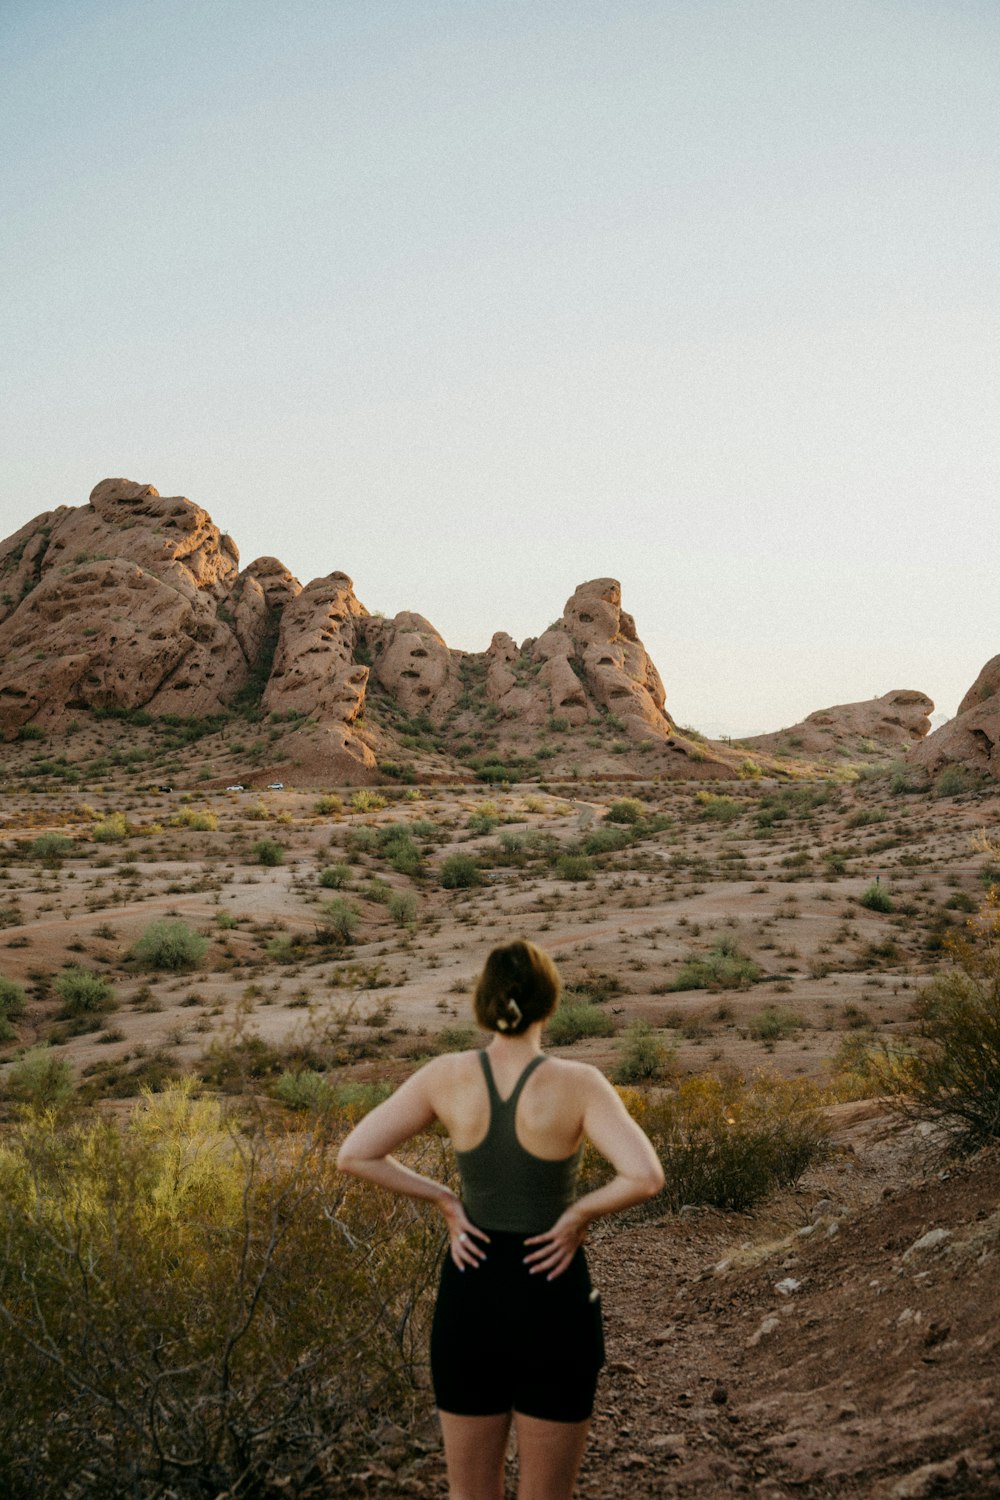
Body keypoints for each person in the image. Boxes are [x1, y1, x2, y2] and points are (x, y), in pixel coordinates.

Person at [337, 938, 665, 1500]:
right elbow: (645, 1176)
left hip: (472, 1294)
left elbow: (355, 1154)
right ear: (550, 1002)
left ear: (484, 1002)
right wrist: (578, 1214)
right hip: (553, 1297)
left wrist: (444, 1199)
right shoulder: (580, 1084)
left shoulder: (445, 1076)